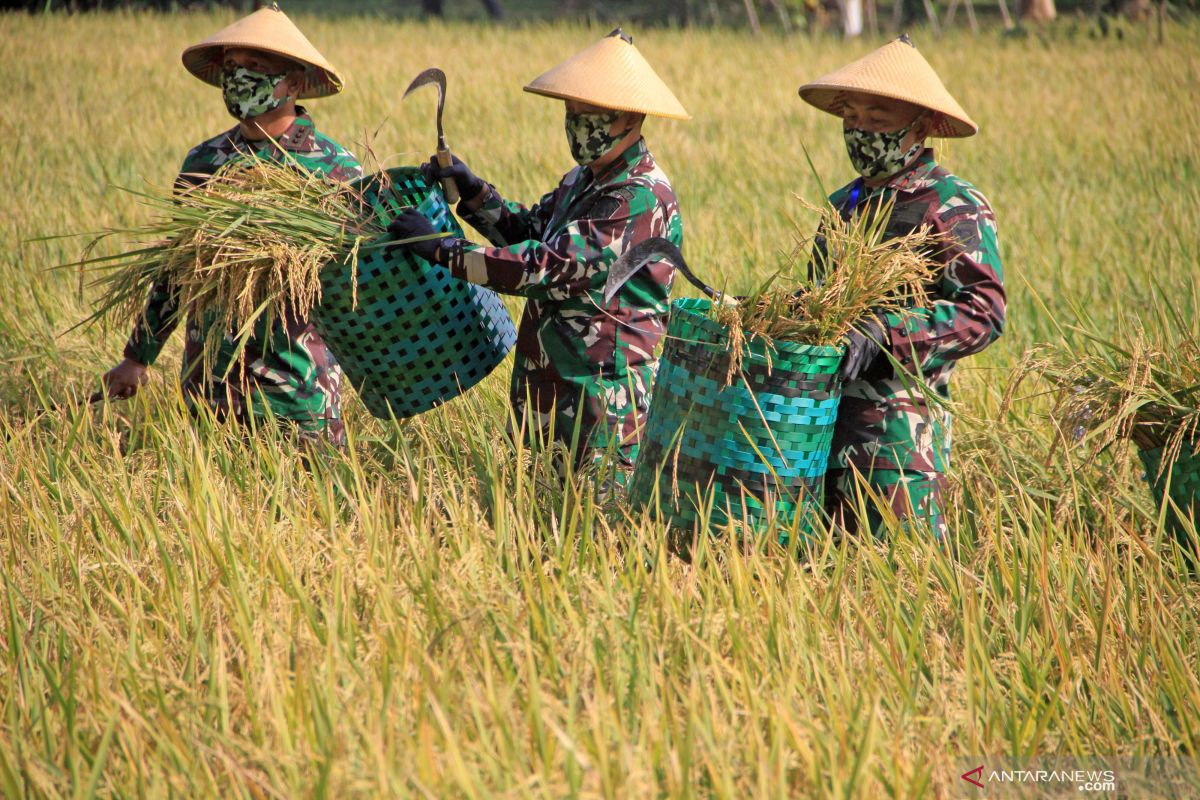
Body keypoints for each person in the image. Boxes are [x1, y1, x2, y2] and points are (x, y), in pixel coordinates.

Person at [387, 28, 687, 467]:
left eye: (593, 112)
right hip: (546, 394)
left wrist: (441, 249)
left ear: (631, 118)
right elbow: (529, 231)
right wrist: (474, 194)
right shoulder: (581, 180)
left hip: (603, 404)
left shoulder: (638, 199)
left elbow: (542, 266)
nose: (578, 121)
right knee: (532, 525)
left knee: (596, 530)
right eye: (573, 110)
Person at [100, 6, 362, 445]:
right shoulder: (204, 163)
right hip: (208, 391)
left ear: (293, 84)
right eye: (233, 67)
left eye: (256, 68)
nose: (240, 77)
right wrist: (137, 357)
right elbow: (176, 271)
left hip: (296, 393)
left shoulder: (333, 171)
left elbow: (361, 281)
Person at [798, 34, 1006, 538]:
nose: (861, 131)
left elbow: (983, 312)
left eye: (879, 119)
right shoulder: (842, 205)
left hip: (898, 446)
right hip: (816, 439)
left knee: (898, 588)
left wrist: (885, 334)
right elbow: (819, 305)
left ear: (923, 126)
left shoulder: (951, 205)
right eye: (853, 118)